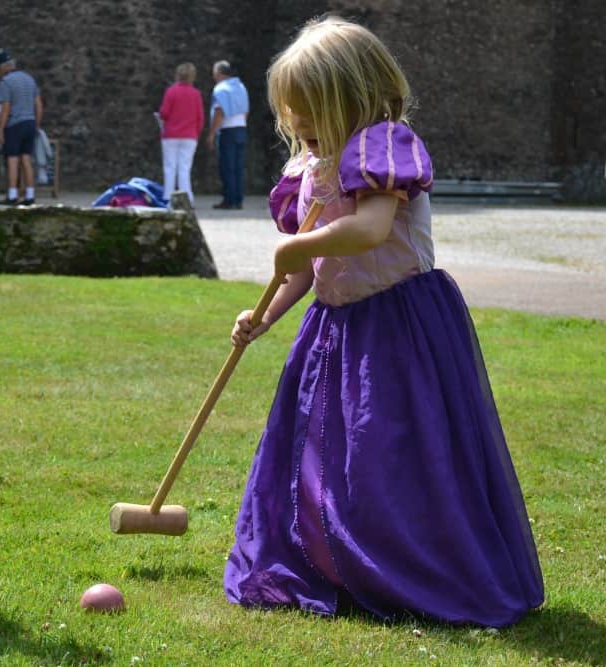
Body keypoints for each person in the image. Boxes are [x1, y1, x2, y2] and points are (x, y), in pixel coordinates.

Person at [223, 17, 543, 627]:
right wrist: (263, 314)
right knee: (319, 454)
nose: (298, 127)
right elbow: (305, 268)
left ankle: (403, 566)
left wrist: (297, 245)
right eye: (291, 115)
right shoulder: (309, 171)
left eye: (308, 112)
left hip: (400, 328)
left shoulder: (384, 147)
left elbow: (368, 231)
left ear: (351, 96)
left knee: (390, 451)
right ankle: (331, 561)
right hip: (335, 330)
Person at [0, 49, 43, 206]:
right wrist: (37, 124)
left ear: (3, 67)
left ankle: (13, 195)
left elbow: (6, 108)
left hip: (14, 124)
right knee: (26, 159)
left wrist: (1, 130)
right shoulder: (29, 79)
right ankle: (30, 195)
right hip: (30, 122)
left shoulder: (6, 82)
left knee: (13, 160)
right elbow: (39, 104)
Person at [158, 62, 204, 206]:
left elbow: (164, 113)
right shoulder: (195, 94)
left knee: (170, 167)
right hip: (189, 136)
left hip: (171, 135)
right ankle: (187, 199)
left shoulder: (171, 91)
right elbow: (200, 117)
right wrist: (196, 132)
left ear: (178, 75)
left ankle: (168, 199)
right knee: (184, 168)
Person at [206, 60, 249, 209]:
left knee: (227, 167)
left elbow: (219, 112)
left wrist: (211, 134)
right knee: (238, 167)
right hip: (241, 129)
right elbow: (246, 111)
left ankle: (229, 200)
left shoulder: (220, 88)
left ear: (218, 74)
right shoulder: (241, 86)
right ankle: (238, 200)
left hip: (227, 131)